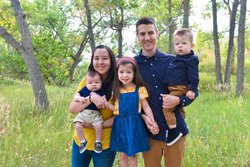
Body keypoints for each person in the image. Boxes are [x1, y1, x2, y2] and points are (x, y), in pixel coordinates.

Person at [134, 17, 198, 167]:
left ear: (157, 33)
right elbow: (127, 98)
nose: (147, 37)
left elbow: (194, 91)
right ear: (137, 36)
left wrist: (179, 100)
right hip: (150, 133)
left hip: (176, 132)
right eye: (142, 34)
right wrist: (143, 116)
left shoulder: (174, 61)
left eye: (151, 32)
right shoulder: (132, 65)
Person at [105, 57, 159, 167]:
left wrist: (153, 122)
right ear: (117, 73)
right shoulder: (116, 89)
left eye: (128, 72)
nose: (125, 75)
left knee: (133, 154)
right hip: (120, 125)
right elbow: (115, 109)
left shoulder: (140, 89)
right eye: (121, 72)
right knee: (123, 154)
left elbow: (146, 107)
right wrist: (104, 104)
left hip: (134, 125)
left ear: (134, 73)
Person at [69, 45, 117, 167]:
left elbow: (120, 115)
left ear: (111, 61)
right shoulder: (87, 81)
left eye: (105, 58)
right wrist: (91, 98)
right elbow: (73, 109)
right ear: (92, 61)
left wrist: (95, 125)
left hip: (105, 143)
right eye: (96, 58)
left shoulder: (118, 83)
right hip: (81, 141)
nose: (100, 62)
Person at [163, 28, 199, 146]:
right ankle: (181, 124)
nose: (180, 46)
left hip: (180, 88)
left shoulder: (191, 59)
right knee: (178, 109)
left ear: (191, 45)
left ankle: (173, 131)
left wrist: (192, 90)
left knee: (167, 108)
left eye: (184, 43)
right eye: (177, 44)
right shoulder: (176, 58)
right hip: (173, 88)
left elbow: (195, 77)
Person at [73, 70, 106, 154]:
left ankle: (98, 142)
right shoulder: (84, 90)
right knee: (77, 125)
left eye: (96, 82)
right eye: (90, 83)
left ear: (101, 83)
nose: (94, 84)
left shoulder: (101, 91)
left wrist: (102, 99)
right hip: (84, 113)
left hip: (95, 114)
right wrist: (80, 98)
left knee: (99, 126)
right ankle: (82, 141)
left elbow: (104, 99)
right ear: (86, 84)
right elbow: (75, 97)